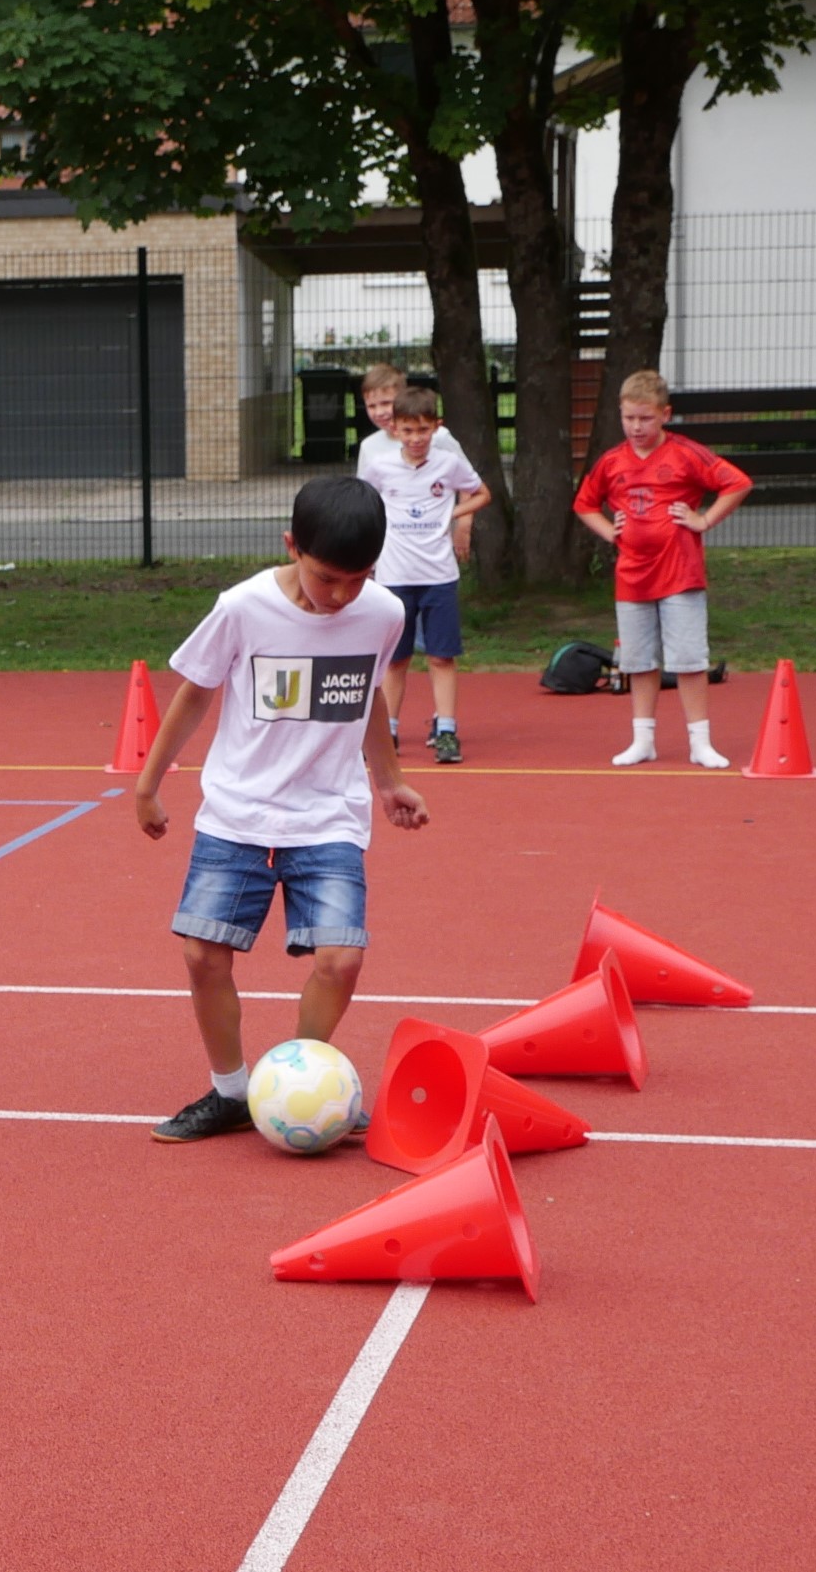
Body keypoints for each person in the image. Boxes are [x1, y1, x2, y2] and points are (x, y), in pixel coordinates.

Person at [132, 476, 431, 1143]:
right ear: (290, 545)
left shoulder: (382, 613)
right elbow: (193, 693)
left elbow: (365, 704)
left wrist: (388, 783)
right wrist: (149, 782)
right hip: (238, 811)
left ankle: (298, 1084)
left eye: (359, 578)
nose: (342, 595)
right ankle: (231, 1090)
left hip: (327, 814)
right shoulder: (242, 607)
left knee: (341, 960)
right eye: (328, 578)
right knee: (203, 953)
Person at [572, 371, 753, 769]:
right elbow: (585, 503)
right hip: (632, 577)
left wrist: (703, 519)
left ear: (664, 415)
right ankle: (643, 739)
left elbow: (737, 483)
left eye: (646, 419)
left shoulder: (686, 454)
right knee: (638, 661)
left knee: (689, 659)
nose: (637, 427)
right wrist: (609, 531)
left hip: (680, 574)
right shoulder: (611, 462)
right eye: (629, 418)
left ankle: (700, 741)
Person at [359, 384, 491, 764]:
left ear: (437, 427)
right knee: (395, 661)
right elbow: (363, 503)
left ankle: (447, 730)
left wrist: (453, 515)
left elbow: (482, 492)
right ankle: (389, 732)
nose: (416, 438)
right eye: (408, 430)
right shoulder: (380, 468)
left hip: (438, 575)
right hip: (394, 578)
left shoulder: (448, 464)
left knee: (441, 657)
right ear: (395, 430)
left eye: (423, 430)